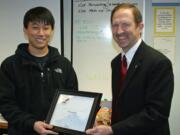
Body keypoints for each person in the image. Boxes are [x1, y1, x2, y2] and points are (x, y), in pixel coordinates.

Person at [86, 3, 174, 135]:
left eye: (125, 24)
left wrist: (113, 130)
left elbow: (156, 114)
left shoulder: (159, 63)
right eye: (115, 25)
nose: (119, 31)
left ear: (140, 27)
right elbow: (120, 105)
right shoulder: (116, 63)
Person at [0, 6, 78, 135]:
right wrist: (32, 123)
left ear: (52, 31)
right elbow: (6, 105)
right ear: (25, 30)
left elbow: (73, 98)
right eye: (35, 27)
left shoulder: (64, 64)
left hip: (57, 132)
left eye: (46, 28)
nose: (41, 33)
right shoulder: (10, 65)